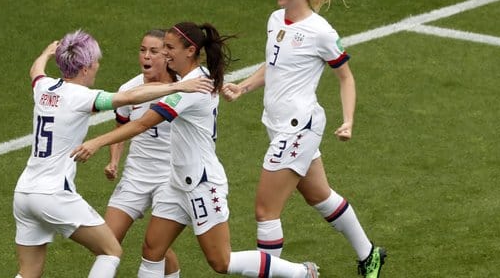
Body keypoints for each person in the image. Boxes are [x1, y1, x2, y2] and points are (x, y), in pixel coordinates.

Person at [72, 22, 320, 278]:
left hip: (202, 184)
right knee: (152, 249)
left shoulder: (194, 86)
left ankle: (299, 273)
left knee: (221, 262)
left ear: (189, 51)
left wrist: (96, 142)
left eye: (169, 47)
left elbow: (144, 123)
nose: (164, 53)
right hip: (177, 183)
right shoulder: (190, 81)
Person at [221, 0, 387, 277]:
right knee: (319, 195)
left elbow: (345, 77)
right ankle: (370, 255)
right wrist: (243, 87)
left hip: (298, 128)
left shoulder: (320, 32)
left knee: (266, 211)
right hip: (277, 124)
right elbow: (273, 64)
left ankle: (287, 274)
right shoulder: (275, 20)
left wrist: (349, 119)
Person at [13, 29, 213, 278]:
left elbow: (35, 71)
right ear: (85, 68)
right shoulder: (83, 97)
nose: (97, 66)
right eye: (95, 62)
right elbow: (129, 96)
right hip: (53, 194)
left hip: (23, 193)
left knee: (29, 271)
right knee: (110, 251)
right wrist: (180, 87)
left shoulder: (43, 87)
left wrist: (45, 53)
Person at [103, 29, 181, 277]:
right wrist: (114, 160)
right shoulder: (130, 89)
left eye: (154, 51)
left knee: (155, 247)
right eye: (142, 50)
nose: (146, 56)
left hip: (171, 178)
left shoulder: (182, 87)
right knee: (106, 242)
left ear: (167, 55)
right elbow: (122, 127)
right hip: (136, 175)